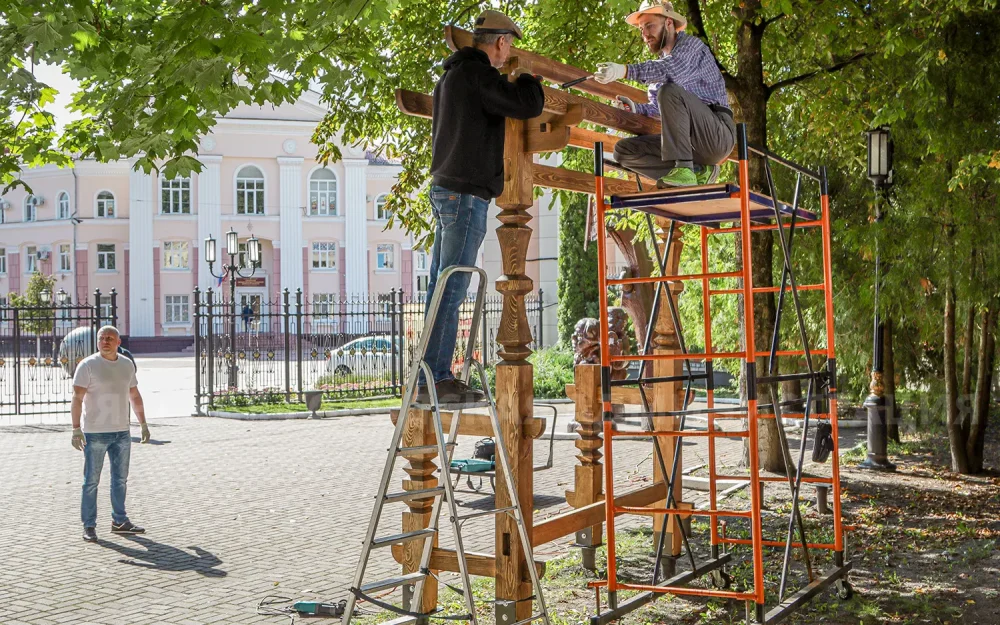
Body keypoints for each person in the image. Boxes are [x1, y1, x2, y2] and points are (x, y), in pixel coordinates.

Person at [419, 9, 545, 404]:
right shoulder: (478, 75)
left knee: (440, 285)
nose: (507, 55)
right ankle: (437, 379)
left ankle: (426, 376)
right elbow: (526, 104)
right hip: (465, 195)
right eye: (508, 47)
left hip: (446, 190)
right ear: (501, 42)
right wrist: (529, 78)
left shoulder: (450, 77)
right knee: (453, 286)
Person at [594, 0, 736, 188]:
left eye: (649, 26)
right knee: (624, 151)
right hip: (686, 145)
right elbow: (658, 108)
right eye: (641, 29)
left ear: (669, 23)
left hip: (716, 135)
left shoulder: (691, 46)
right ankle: (698, 170)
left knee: (669, 91)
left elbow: (672, 72)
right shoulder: (661, 69)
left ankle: (685, 170)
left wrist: (624, 71)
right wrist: (635, 108)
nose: (644, 34)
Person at [71, 325, 150, 542]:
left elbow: (134, 395)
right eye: (102, 338)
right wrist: (76, 428)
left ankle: (119, 521)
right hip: (95, 433)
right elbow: (77, 398)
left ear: (118, 342)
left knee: (120, 480)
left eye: (109, 338)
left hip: (122, 433)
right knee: (91, 481)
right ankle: (89, 525)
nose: (105, 341)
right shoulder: (87, 365)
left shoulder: (126, 365)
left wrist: (143, 423)